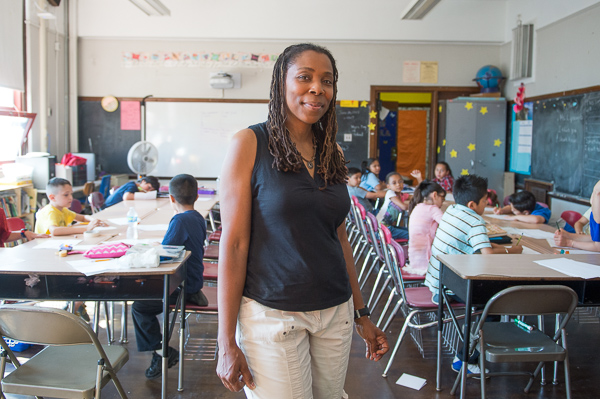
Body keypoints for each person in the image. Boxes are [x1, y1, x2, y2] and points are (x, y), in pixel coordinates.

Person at [216, 43, 388, 398]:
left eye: (327, 81)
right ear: (282, 84)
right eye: (305, 78)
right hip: (271, 313)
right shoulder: (249, 144)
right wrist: (226, 340)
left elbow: (339, 238)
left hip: (334, 312)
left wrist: (361, 312)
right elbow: (233, 246)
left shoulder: (331, 150)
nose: (317, 88)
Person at [424, 175, 523, 374]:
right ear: (472, 204)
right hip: (448, 287)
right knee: (495, 303)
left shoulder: (451, 210)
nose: (487, 203)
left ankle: (467, 356)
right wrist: (511, 250)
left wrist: (489, 245)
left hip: (437, 280)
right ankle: (465, 360)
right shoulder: (475, 220)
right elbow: (487, 258)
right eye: (485, 200)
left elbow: (477, 247)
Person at [131, 174, 208, 379]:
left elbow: (164, 254)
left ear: (171, 198)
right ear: (197, 195)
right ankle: (160, 351)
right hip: (192, 281)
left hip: (181, 286)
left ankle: (161, 352)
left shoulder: (180, 220)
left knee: (140, 307)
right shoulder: (198, 218)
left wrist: (156, 248)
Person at [34, 177, 105, 235]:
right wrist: (86, 228)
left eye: (71, 194)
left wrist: (94, 220)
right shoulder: (50, 212)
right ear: (52, 197)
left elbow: (83, 218)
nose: (71, 197)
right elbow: (54, 230)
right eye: (66, 195)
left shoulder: (63, 210)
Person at [404, 180, 445, 276]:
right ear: (435, 195)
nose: (442, 203)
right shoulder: (432, 209)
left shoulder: (417, 207)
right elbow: (448, 225)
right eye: (442, 199)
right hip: (426, 262)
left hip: (414, 259)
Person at [554, 180, 600, 252]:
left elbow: (598, 246)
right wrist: (569, 236)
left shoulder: (597, 213)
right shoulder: (593, 212)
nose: (592, 200)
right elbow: (594, 238)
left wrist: (569, 242)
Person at [376, 171, 409, 240]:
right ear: (388, 186)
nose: (398, 185)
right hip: (381, 230)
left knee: (411, 231)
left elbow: (416, 196)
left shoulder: (401, 195)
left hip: (388, 227)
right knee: (411, 234)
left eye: (400, 181)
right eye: (394, 183)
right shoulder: (390, 193)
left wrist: (419, 178)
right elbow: (404, 207)